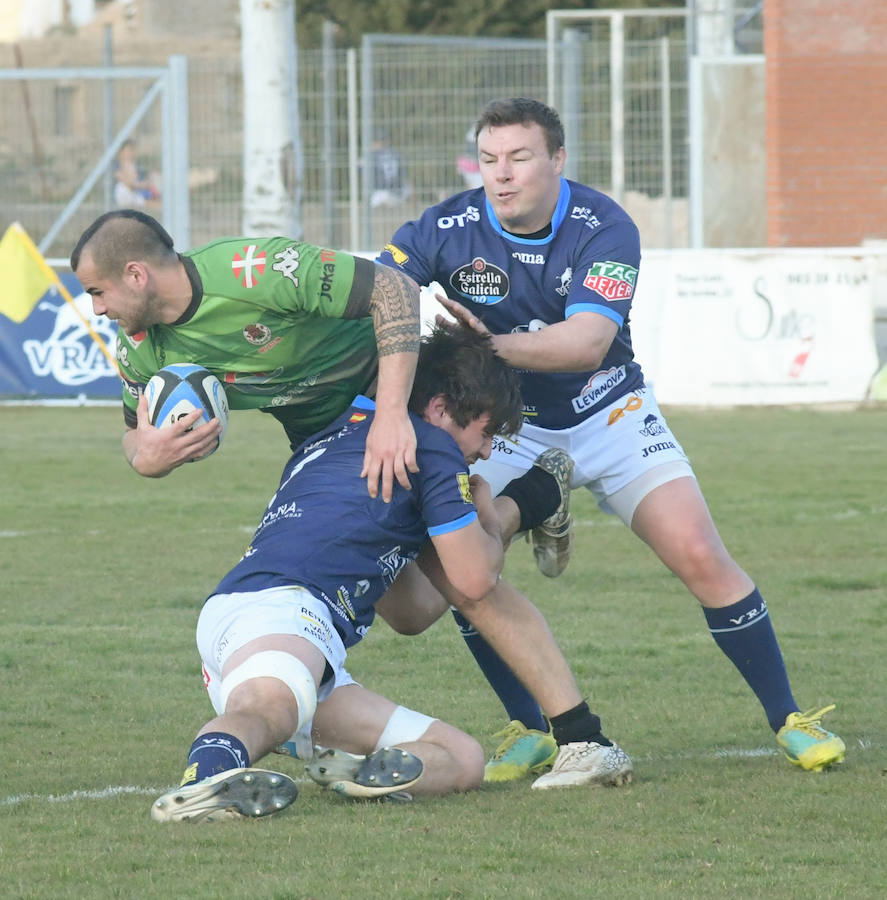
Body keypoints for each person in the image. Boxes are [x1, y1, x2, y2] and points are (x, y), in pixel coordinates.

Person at [377, 97, 845, 781]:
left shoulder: (604, 226)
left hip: (608, 410)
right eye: (487, 160)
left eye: (519, 158)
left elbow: (588, 342)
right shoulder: (443, 227)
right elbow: (378, 291)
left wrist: (489, 347)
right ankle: (531, 728)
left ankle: (787, 718)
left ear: (557, 160)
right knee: (466, 568)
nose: (500, 175)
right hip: (506, 428)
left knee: (696, 551)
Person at [150, 326, 628, 823]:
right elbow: (474, 581)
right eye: (486, 433)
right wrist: (490, 514)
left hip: (279, 635)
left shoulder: (338, 432)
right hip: (281, 614)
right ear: (441, 409)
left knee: (459, 758)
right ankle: (204, 781)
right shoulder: (432, 447)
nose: (487, 451)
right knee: (269, 709)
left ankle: (349, 771)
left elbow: (411, 612)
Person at [70, 209, 420, 502]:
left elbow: (393, 288)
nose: (97, 309)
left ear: (135, 275)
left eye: (97, 292)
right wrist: (145, 459)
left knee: (448, 526)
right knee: (367, 554)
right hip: (321, 436)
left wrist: (390, 415)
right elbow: (133, 433)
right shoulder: (137, 346)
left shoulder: (257, 269)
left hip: (404, 392)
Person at [113, 140, 160, 210]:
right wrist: (144, 185)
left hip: (135, 193)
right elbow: (129, 183)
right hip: (126, 193)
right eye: (129, 150)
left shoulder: (133, 165)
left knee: (156, 203)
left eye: (132, 150)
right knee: (153, 204)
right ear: (121, 152)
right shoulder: (118, 166)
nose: (132, 153)